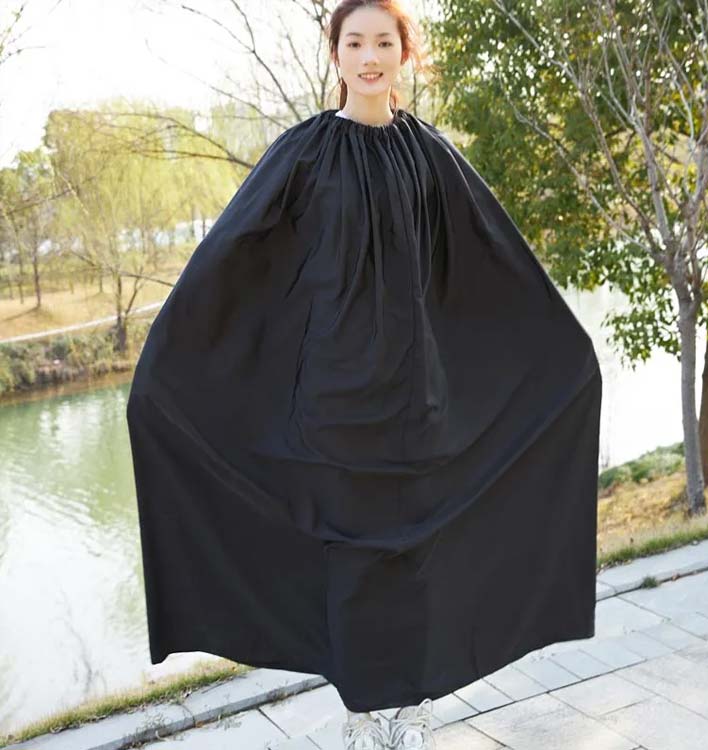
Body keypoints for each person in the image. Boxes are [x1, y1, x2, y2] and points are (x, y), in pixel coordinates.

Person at [126, 1, 603, 749]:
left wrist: (565, 355)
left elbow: (488, 257)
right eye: (356, 42)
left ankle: (410, 708)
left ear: (403, 52)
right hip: (334, 403)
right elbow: (235, 255)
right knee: (350, 560)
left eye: (384, 41)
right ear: (337, 55)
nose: (370, 56)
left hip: (416, 401)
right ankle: (360, 710)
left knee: (413, 558)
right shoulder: (303, 153)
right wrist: (168, 363)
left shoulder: (430, 154)